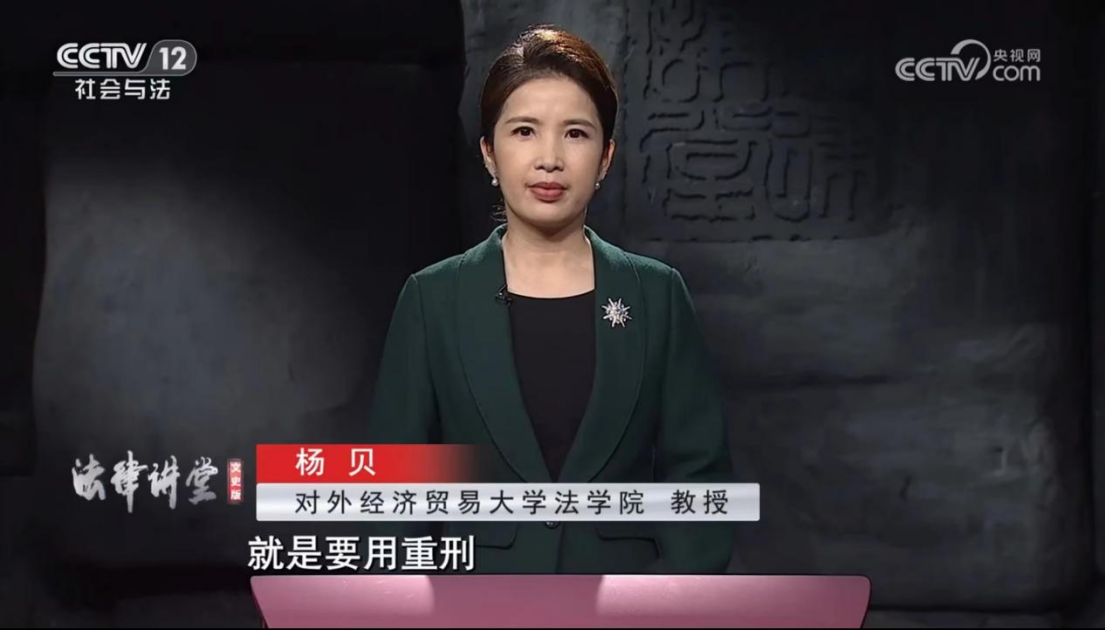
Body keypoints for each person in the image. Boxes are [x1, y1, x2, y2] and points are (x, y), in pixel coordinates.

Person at [367, 24, 733, 574]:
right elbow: (395, 495)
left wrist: (670, 599)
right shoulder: (432, 299)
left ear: (605, 158)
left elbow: (699, 479)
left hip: (626, 602)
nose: (550, 159)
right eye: (524, 131)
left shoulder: (657, 295)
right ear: (489, 154)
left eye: (576, 134)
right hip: (476, 601)